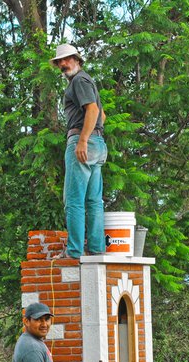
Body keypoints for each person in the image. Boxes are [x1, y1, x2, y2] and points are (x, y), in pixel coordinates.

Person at [50, 43, 107, 259]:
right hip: (98, 144)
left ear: (77, 59)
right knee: (93, 201)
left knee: (73, 199)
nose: (63, 64)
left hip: (83, 142)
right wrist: (93, 138)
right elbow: (102, 116)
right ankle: (96, 249)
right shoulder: (87, 81)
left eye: (67, 59)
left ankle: (73, 252)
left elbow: (92, 110)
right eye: (59, 62)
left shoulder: (79, 80)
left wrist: (82, 140)